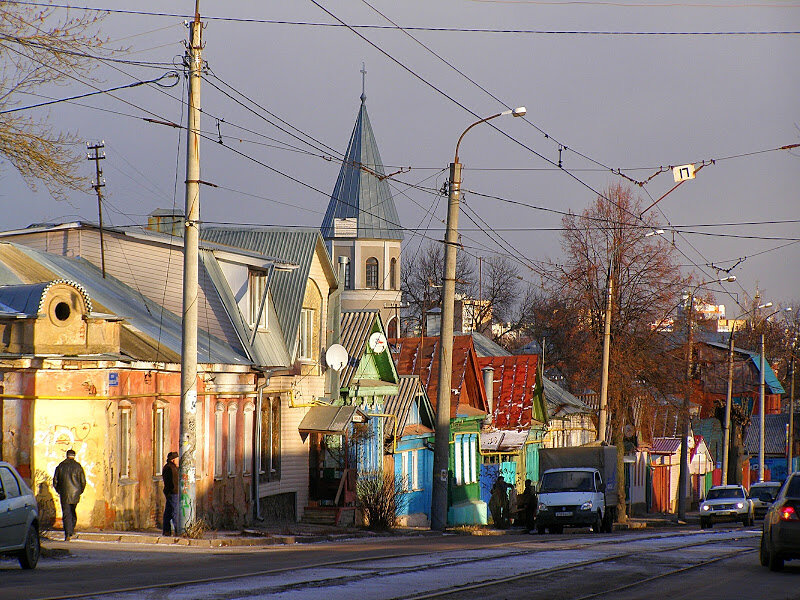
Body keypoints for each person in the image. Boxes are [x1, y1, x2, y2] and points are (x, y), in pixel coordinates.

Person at [53, 449, 86, 541]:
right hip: (75, 493)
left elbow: (55, 481)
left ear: (67, 455)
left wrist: (59, 490)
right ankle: (71, 530)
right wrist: (79, 491)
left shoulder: (61, 466)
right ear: (74, 456)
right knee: (72, 511)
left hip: (64, 493)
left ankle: (68, 533)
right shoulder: (78, 467)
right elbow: (83, 481)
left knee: (66, 513)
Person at [162, 451, 180, 536]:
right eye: (176, 459)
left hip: (171, 493)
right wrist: (174, 490)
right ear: (173, 460)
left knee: (168, 512)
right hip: (173, 493)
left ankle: (166, 531)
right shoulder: (171, 468)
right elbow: (173, 482)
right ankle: (178, 530)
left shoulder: (171, 467)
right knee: (175, 512)